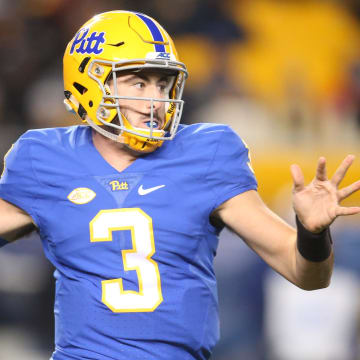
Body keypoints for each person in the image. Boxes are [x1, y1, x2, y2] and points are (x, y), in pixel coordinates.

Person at [0, 10, 359, 360]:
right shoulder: (41, 158)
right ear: (91, 82)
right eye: (139, 82)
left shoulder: (207, 152)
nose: (156, 101)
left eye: (163, 83)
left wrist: (311, 234)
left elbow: (307, 275)